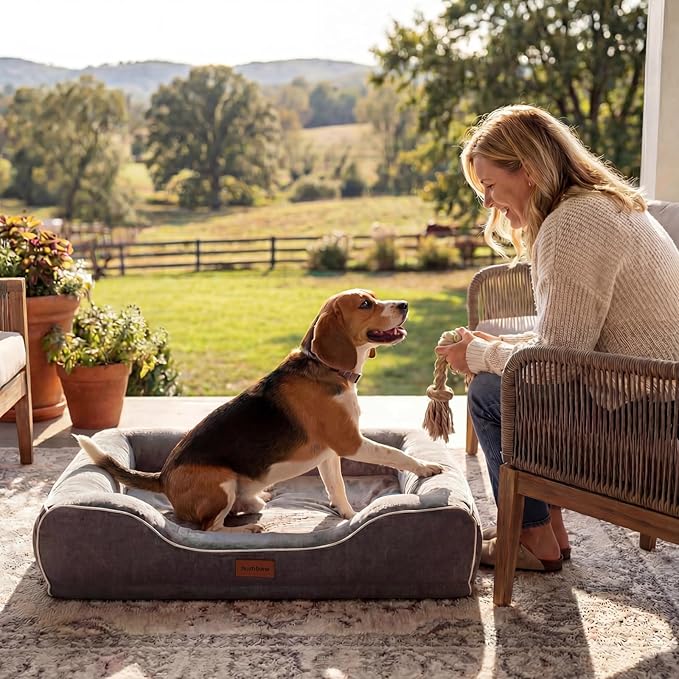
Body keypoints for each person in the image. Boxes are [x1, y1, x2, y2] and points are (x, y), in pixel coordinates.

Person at [434, 104, 679, 572]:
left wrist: (481, 355)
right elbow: (570, 335)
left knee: (490, 392)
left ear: (527, 170)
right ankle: (548, 530)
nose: (488, 202)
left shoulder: (572, 223)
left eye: (490, 185)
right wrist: (493, 347)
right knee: (507, 376)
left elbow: (552, 364)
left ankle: (530, 536)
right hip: (659, 395)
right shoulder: (601, 205)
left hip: (650, 413)